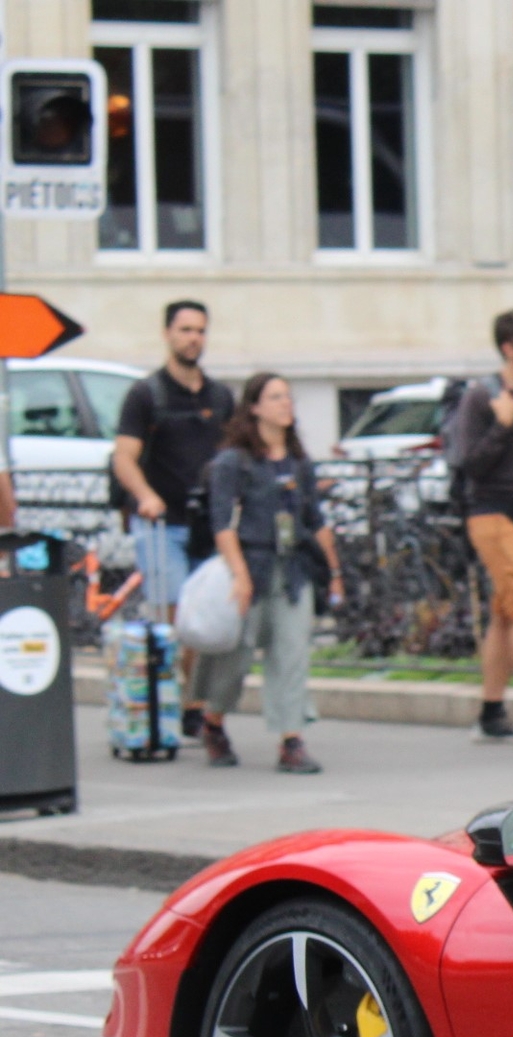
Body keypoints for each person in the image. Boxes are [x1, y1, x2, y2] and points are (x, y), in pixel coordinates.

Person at [194, 373, 340, 775]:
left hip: (292, 570)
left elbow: (315, 518)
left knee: (291, 655)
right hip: (249, 568)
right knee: (234, 658)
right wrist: (239, 576)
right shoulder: (233, 462)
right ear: (254, 407)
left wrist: (334, 570)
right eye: (275, 397)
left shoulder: (298, 462)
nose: (285, 405)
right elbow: (222, 523)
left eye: (288, 398)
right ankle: (213, 721)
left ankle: (291, 740)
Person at [111, 300, 234, 737]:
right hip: (162, 523)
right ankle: (171, 703)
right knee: (174, 617)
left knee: (205, 621)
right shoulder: (147, 395)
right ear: (167, 334)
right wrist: (145, 496)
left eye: (200, 330)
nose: (193, 339)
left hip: (208, 526)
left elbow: (233, 455)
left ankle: (192, 704)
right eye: (185, 330)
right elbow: (124, 457)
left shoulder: (219, 396)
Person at [443, 309, 513, 744]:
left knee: (506, 613)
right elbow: (470, 463)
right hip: (489, 510)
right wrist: (502, 425)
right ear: (509, 349)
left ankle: (490, 711)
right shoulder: (481, 396)